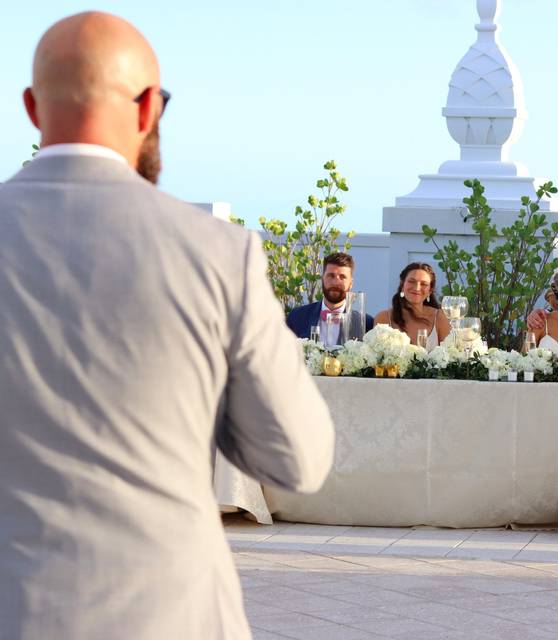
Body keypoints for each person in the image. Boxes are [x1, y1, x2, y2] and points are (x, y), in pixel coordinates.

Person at [0, 12, 334, 640]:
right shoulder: (216, 253)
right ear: (150, 106)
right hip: (167, 616)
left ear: (30, 108)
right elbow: (298, 459)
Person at [286, 251, 375, 343]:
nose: (335, 283)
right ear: (322, 279)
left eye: (342, 277)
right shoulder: (297, 317)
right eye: (331, 276)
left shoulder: (366, 324)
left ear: (351, 283)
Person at [374, 262, 451, 348]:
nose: (417, 288)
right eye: (411, 281)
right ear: (402, 285)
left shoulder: (439, 317)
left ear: (430, 290)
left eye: (424, 284)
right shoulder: (384, 318)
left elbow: (450, 357)